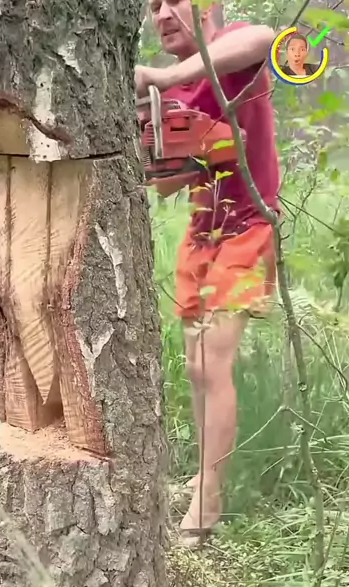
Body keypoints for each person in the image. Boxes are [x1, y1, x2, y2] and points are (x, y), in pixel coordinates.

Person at [135, 1, 280, 547]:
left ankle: (210, 496)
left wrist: (161, 77)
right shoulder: (176, 93)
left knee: (208, 361)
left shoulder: (233, 47)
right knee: (196, 366)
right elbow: (168, 181)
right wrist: (156, 140)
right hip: (202, 235)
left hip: (249, 229)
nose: (162, 14)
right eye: (153, 5)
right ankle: (204, 472)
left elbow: (265, 38)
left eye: (174, 0)